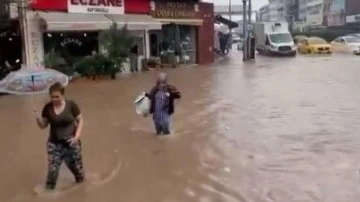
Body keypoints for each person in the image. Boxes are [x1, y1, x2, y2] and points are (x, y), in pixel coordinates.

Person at [34, 82, 85, 190]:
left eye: (57, 97)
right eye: (52, 97)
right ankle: (49, 192)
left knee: (78, 172)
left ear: (62, 95)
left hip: (71, 142)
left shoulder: (71, 105)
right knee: (53, 170)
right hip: (54, 144)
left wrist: (77, 136)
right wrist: (38, 117)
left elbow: (80, 120)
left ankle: (81, 189)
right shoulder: (47, 108)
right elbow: (43, 126)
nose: (55, 99)